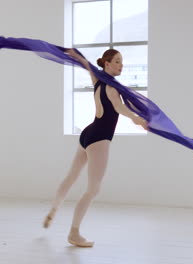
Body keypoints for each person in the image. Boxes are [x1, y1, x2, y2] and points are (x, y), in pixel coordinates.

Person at [42, 48, 147, 247]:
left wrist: (76, 55)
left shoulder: (97, 80)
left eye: (121, 61)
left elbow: (86, 65)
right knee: (93, 189)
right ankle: (74, 233)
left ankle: (53, 210)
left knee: (72, 176)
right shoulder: (112, 87)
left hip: (87, 133)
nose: (120, 65)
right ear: (107, 64)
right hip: (99, 139)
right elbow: (119, 107)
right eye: (117, 61)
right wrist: (137, 119)